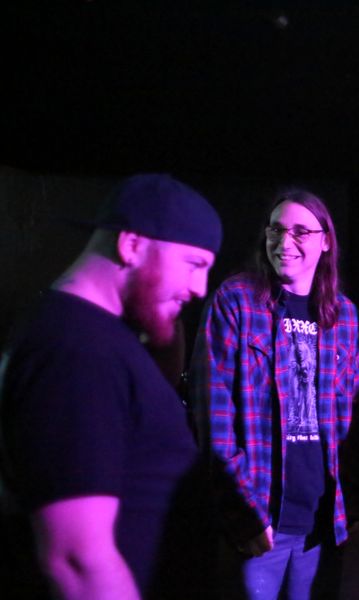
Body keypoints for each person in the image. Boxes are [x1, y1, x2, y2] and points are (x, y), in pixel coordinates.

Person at [0, 173, 222, 600]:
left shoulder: (90, 338)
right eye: (194, 264)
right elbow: (76, 561)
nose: (199, 289)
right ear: (131, 245)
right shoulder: (76, 350)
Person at [191, 188, 359, 600]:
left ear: (326, 241)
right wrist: (244, 514)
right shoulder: (236, 301)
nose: (285, 242)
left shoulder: (343, 314)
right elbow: (213, 418)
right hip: (260, 520)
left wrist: (355, 500)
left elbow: (356, 417)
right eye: (276, 229)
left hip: (321, 521)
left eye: (301, 231)